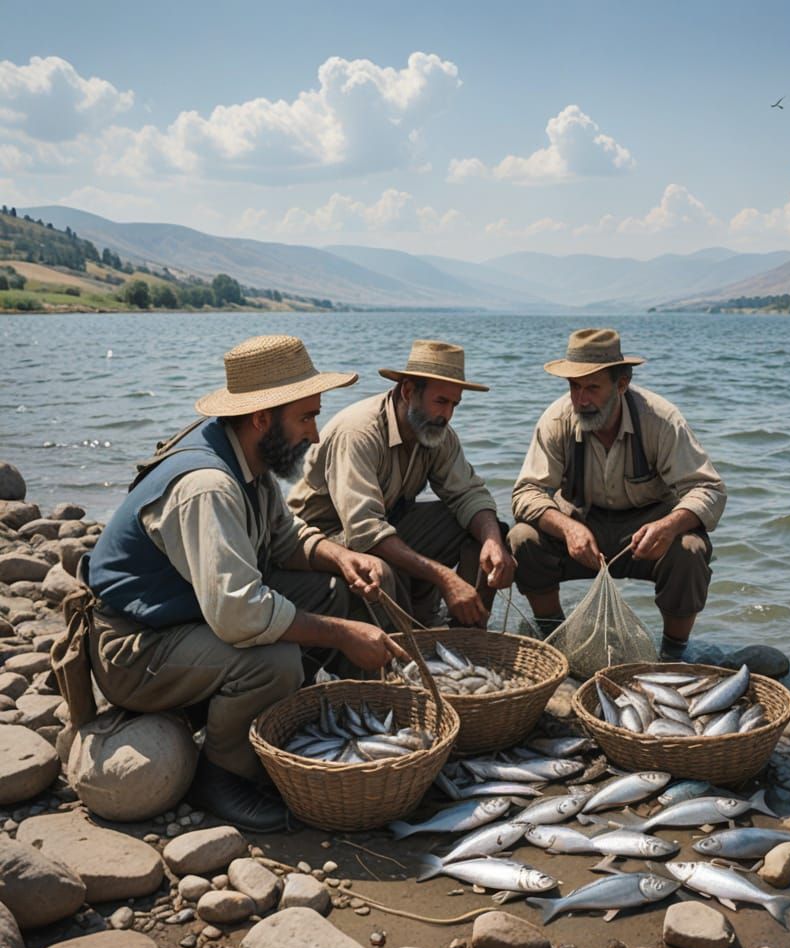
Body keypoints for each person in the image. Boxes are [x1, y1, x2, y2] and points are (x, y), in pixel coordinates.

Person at [78, 334, 403, 831]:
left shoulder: (250, 457)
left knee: (340, 592)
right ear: (261, 418)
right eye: (306, 417)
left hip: (189, 619)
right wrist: (341, 634)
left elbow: (285, 539)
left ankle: (306, 719)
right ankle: (221, 774)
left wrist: (342, 556)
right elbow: (241, 613)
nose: (316, 435)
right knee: (273, 661)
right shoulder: (207, 486)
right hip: (134, 649)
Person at [509, 328, 726, 661]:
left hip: (648, 530)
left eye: (592, 388)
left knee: (691, 548)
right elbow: (527, 493)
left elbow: (708, 489)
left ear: (622, 384)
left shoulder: (661, 420)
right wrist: (568, 528)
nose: (581, 399)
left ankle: (673, 655)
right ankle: (553, 638)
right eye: (574, 387)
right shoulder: (556, 420)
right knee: (523, 538)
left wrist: (667, 527)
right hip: (581, 526)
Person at [289, 340, 516, 628]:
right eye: (440, 402)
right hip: (323, 537)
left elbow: (468, 494)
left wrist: (493, 543)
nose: (447, 414)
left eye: (454, 405)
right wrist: (445, 578)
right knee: (380, 571)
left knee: (487, 531)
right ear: (408, 391)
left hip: (384, 525)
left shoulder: (438, 432)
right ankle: (409, 647)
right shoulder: (359, 432)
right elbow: (364, 532)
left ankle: (468, 638)